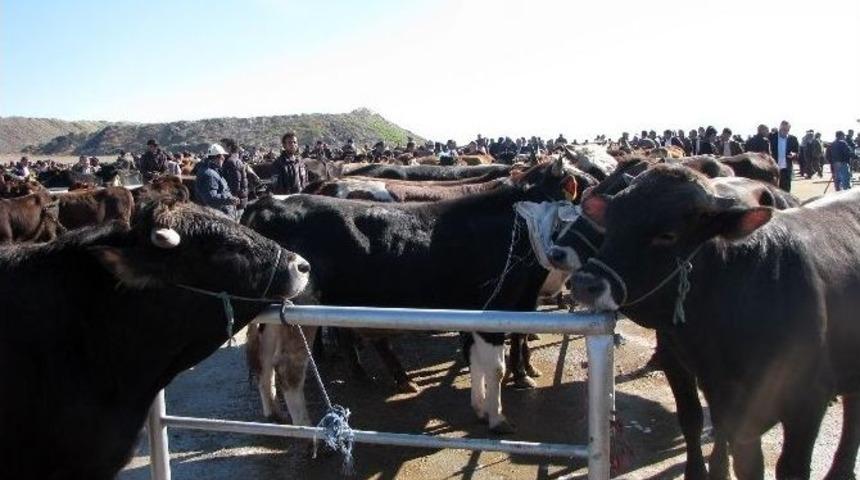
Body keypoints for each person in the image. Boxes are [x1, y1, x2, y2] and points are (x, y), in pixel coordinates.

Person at [194, 143, 239, 217]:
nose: (224, 158)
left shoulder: (211, 171)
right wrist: (229, 199)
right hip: (220, 214)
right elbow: (210, 198)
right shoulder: (209, 174)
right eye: (222, 156)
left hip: (221, 212)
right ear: (216, 157)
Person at [220, 138, 248, 219]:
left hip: (234, 204)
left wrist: (230, 200)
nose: (221, 149)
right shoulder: (234, 160)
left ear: (229, 148)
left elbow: (235, 184)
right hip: (238, 201)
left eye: (223, 146)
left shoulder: (231, 162)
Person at [769, 120, 799, 191]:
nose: (784, 132)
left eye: (787, 130)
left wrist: (793, 154)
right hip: (773, 168)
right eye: (783, 129)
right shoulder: (771, 137)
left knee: (786, 189)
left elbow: (797, 152)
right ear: (779, 128)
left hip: (786, 168)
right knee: (773, 189)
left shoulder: (793, 139)